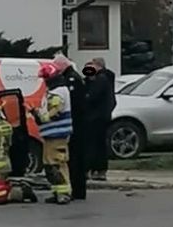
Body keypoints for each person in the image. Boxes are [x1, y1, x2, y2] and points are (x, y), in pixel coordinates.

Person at [30, 62, 73, 205]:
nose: (44, 82)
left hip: (57, 134)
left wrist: (39, 117)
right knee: (50, 164)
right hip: (52, 134)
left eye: (45, 79)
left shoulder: (58, 92)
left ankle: (63, 193)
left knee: (56, 164)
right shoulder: (58, 90)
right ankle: (57, 191)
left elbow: (55, 110)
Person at [53, 54, 88, 200]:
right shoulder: (70, 77)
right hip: (76, 124)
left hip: (77, 125)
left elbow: (74, 103)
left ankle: (78, 190)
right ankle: (76, 189)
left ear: (62, 65)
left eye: (56, 67)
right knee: (73, 158)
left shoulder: (72, 79)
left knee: (75, 159)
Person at [83, 58, 116, 181]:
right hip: (102, 117)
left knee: (94, 144)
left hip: (95, 117)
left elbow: (91, 97)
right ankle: (98, 169)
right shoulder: (106, 78)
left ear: (97, 66)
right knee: (99, 144)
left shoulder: (101, 80)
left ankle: (94, 169)